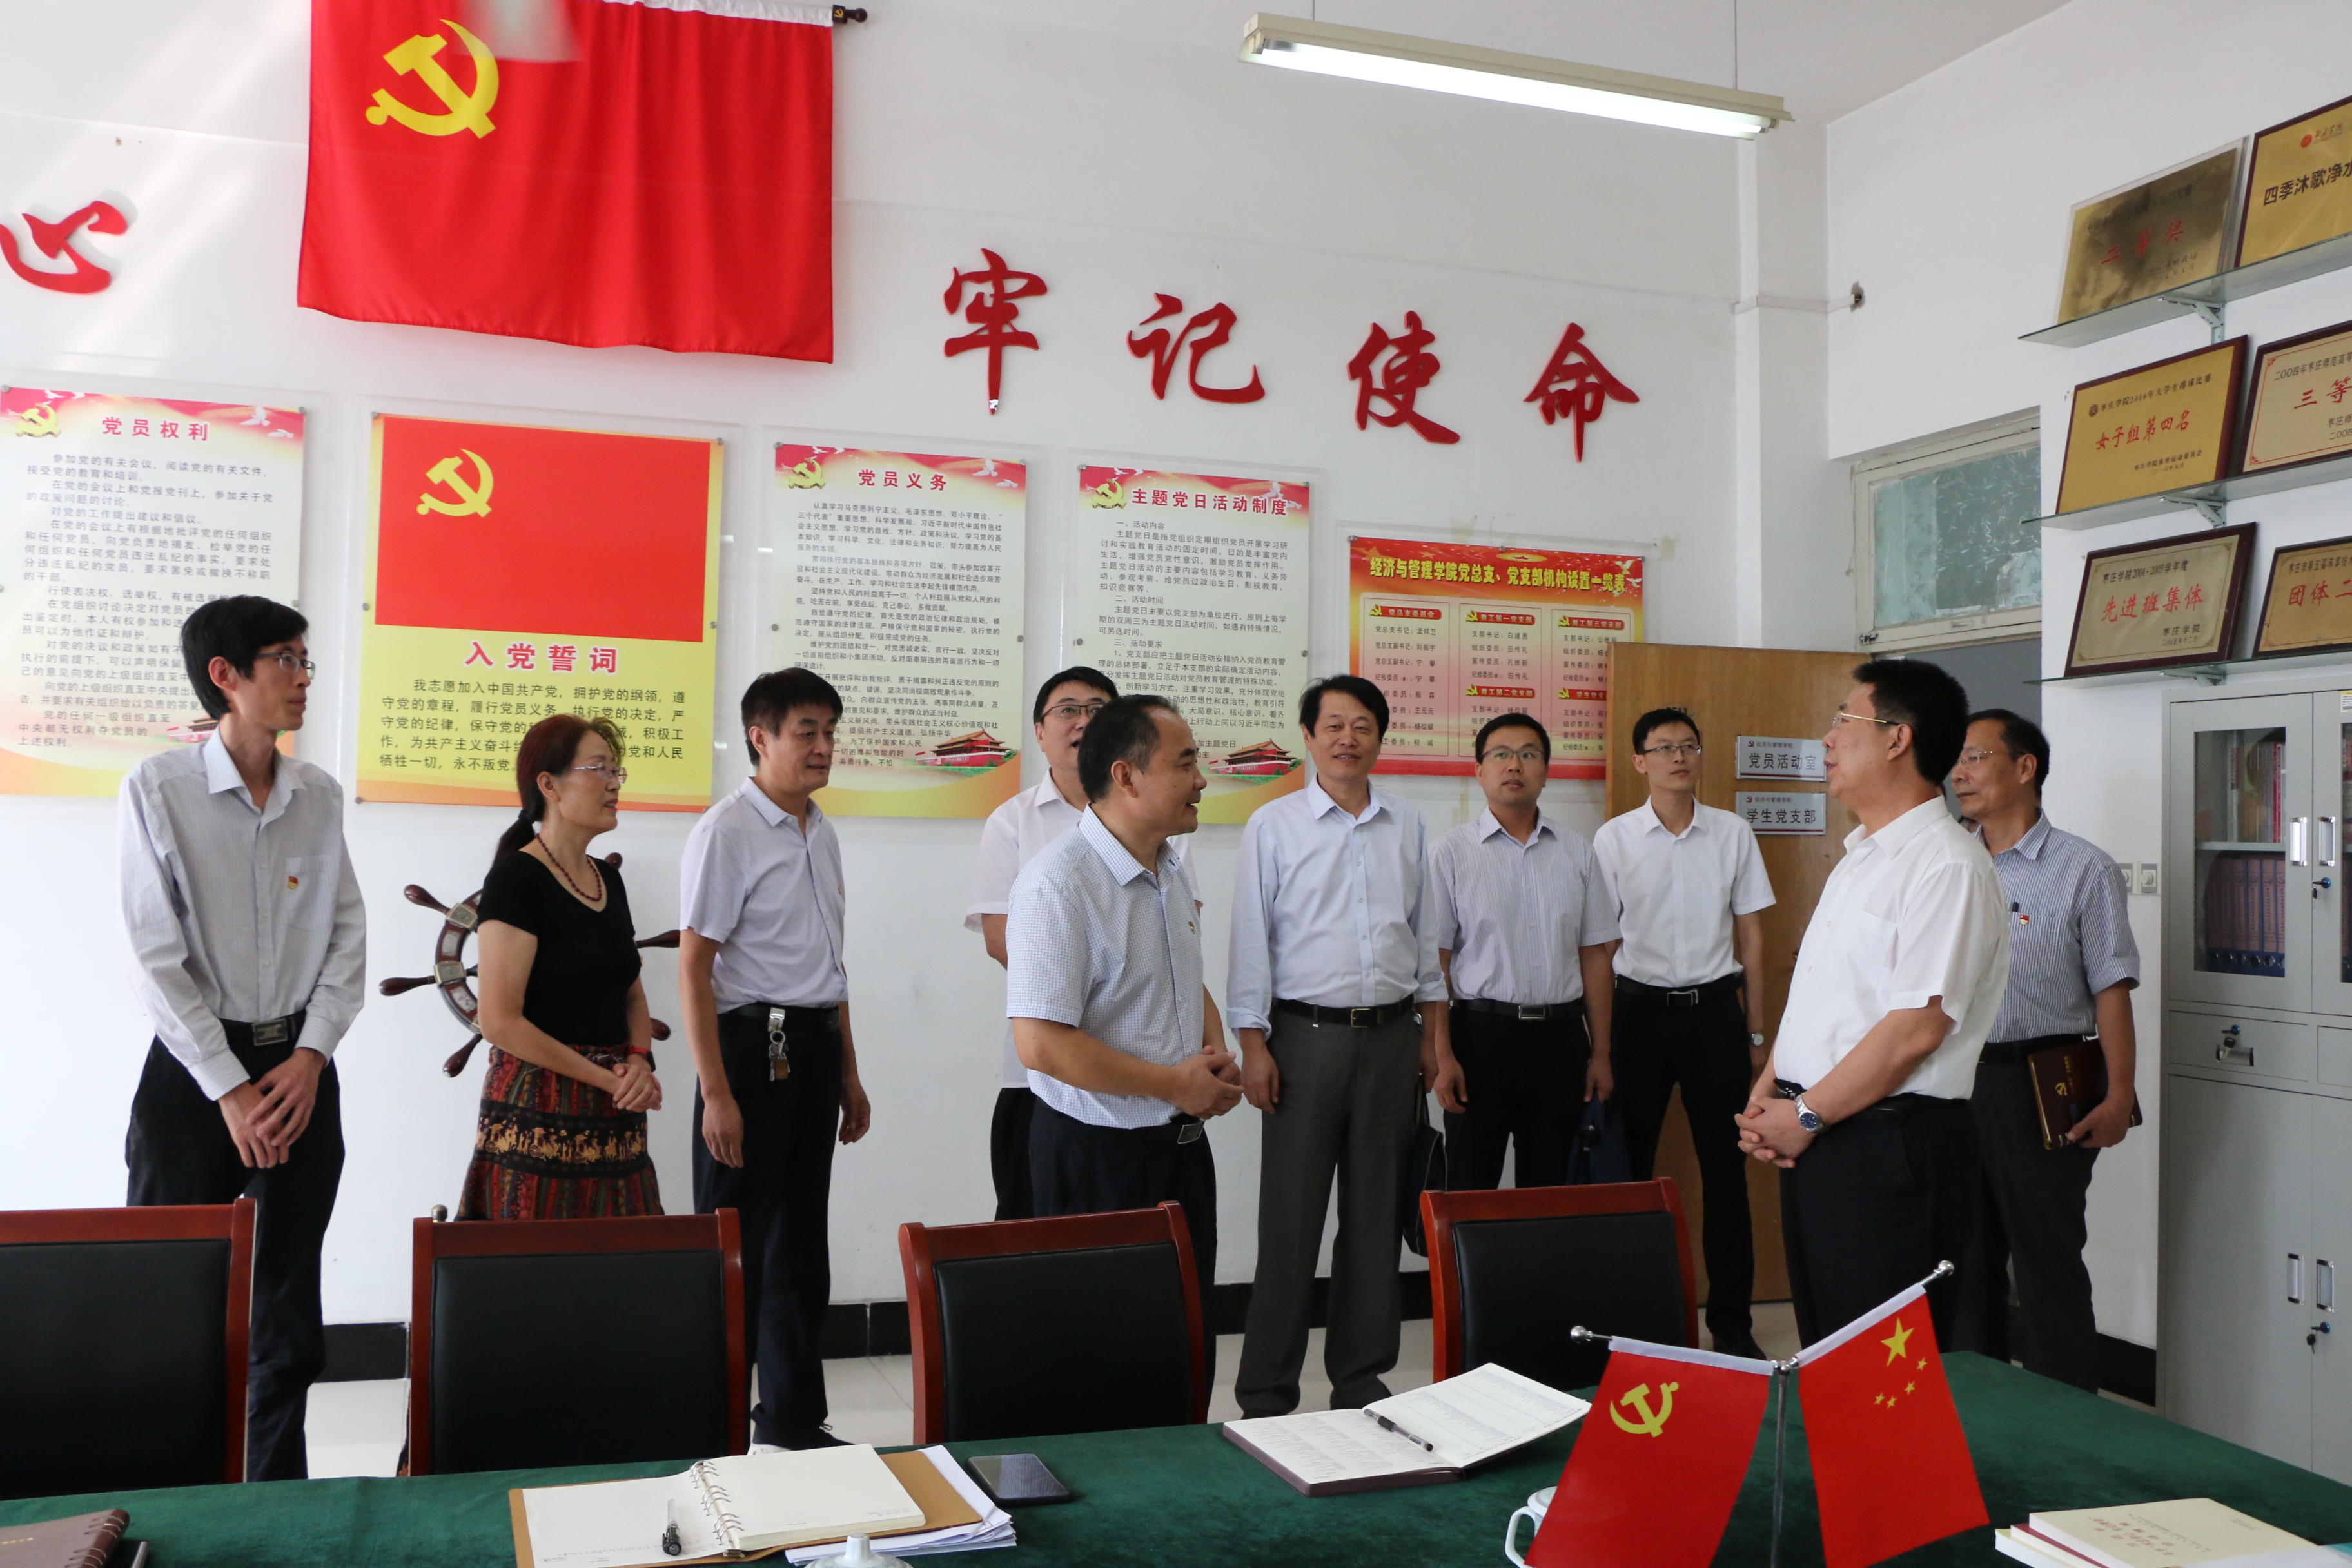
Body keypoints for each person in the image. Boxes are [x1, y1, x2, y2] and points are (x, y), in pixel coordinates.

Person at [121, 595, 364, 1481]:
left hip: (298, 1069)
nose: (303, 677)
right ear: (225, 676)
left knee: (286, 1309)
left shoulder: (318, 795)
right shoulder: (160, 788)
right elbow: (155, 957)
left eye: (305, 658)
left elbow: (347, 937)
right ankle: (171, 1494)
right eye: (285, 659)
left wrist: (311, 1055)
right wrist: (227, 1087)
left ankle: (275, 1499)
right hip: (195, 1077)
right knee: (171, 1294)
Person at [1736, 659, 2008, 1350]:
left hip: (1891, 1145)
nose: (1827, 739)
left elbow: (1916, 1029)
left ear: (1897, 738)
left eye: (1843, 720)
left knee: (1882, 1369)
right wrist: (1771, 1093)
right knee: (1827, 1351)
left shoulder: (1946, 865)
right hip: (1825, 1131)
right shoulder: (1862, 856)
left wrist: (1804, 1112)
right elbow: (1826, 997)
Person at [1230, 675, 1455, 1418]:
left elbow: (1424, 936)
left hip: (1392, 1039)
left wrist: (1433, 1035)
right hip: (1304, 1040)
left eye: (1362, 725)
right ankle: (1267, 1390)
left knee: (1374, 1219)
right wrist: (1253, 1042)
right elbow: (1251, 939)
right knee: (1290, 1222)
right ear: (1308, 736)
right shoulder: (1274, 824)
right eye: (1332, 724)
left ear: (1380, 738)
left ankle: (1360, 1377)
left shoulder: (1407, 824)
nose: (1347, 738)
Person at [680, 668, 872, 1452]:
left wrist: (849, 1072)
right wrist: (715, 1092)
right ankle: (712, 1429)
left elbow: (831, 965)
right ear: (760, 737)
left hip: (814, 1048)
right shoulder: (726, 830)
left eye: (830, 730)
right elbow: (694, 967)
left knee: (800, 1247)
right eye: (806, 731)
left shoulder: (820, 827)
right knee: (735, 1250)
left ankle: (792, 1422)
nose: (823, 745)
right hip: (749, 1053)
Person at [1006, 694, 1241, 1332]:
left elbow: (1183, 978)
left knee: (1184, 1338)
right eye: (1185, 763)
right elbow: (1041, 1043)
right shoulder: (1059, 883)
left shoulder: (1170, 867)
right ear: (1127, 775)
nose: (1201, 780)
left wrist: (1213, 1056)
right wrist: (1173, 1084)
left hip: (1181, 1151)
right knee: (1099, 1349)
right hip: (1097, 1157)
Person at [1948, 708, 2139, 1391]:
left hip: (2042, 1080)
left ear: (2025, 768)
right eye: (1956, 760)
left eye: (1975, 757)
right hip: (1953, 1080)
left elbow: (2112, 989)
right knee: (1964, 1264)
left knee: (2046, 1262)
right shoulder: (1947, 861)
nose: (1959, 773)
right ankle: (1978, 1412)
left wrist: (2119, 1095)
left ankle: (2069, 1425)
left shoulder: (2084, 868)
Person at [1594, 707, 1776, 1361]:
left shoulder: (1732, 833)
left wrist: (1757, 1031)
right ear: (1639, 761)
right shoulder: (1614, 839)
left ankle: (1732, 1322)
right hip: (1637, 1015)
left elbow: (1752, 936)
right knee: (1630, 1174)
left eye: (1689, 746)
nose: (1679, 756)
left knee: (1728, 1172)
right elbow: (1600, 944)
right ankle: (1633, 1318)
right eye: (1664, 747)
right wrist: (1600, 1044)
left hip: (1714, 1016)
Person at [460, 714, 663, 1219]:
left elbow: (632, 994)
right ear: (549, 785)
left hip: (616, 1112)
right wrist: (609, 1079)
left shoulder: (607, 881)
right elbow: (499, 1021)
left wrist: (639, 1062)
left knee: (625, 1256)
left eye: (616, 771)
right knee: (538, 1258)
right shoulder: (516, 880)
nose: (614, 783)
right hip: (537, 1114)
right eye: (599, 769)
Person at [1430, 712, 1616, 1192]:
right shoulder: (1450, 853)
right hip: (1480, 1039)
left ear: (1546, 771)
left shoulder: (1578, 852)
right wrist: (1442, 1054)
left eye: (1529, 754)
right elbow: (1437, 963)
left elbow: (1596, 957)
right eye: (1501, 754)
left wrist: (1601, 1054)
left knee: (1550, 1191)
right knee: (1470, 1188)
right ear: (1480, 770)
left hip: (1560, 1042)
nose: (1515, 765)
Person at [965, 666, 1119, 1220]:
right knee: (1030, 1226)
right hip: (1039, 1067)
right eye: (1068, 710)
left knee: (1127, 1231)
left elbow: (1180, 929)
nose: (1084, 722)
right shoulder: (1012, 822)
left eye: (1098, 710)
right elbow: (1000, 939)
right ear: (1040, 731)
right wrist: (1097, 1003)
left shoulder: (1156, 819)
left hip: (1138, 1065)